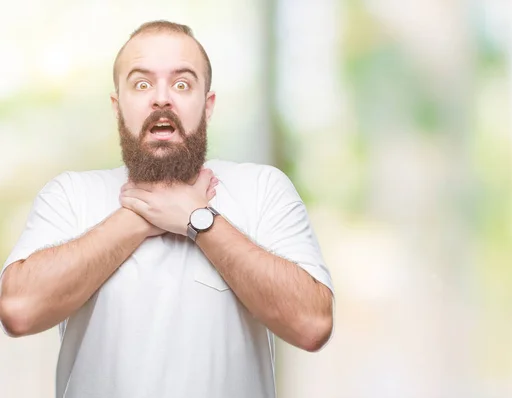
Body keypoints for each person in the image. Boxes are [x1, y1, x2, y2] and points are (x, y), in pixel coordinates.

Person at [0, 20, 334, 398]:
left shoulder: (263, 189)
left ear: (207, 106)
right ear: (117, 106)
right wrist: (140, 216)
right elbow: (18, 310)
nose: (162, 99)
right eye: (142, 84)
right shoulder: (70, 195)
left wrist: (198, 221)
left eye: (182, 84)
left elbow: (312, 324)